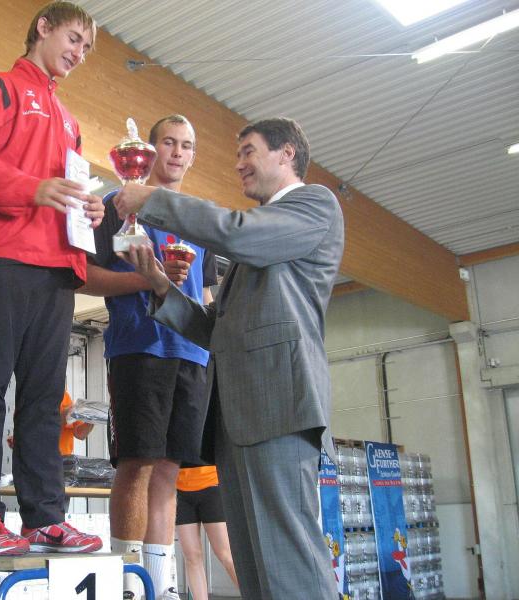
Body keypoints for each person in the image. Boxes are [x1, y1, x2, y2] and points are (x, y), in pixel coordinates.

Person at [115, 117, 344, 599]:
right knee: (257, 564)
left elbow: (234, 232)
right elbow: (215, 331)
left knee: (289, 561)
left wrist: (152, 199)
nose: (238, 164)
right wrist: (160, 284)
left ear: (286, 154)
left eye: (248, 152)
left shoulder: (313, 205)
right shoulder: (257, 242)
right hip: (239, 420)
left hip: (279, 409)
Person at [0, 1, 105, 556]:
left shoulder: (70, 120)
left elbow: (65, 191)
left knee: (44, 399)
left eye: (87, 48)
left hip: (57, 267)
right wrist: (32, 189)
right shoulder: (2, 89)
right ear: (44, 27)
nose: (79, 53)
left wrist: (88, 212)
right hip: (5, 257)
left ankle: (44, 518)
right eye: (75, 39)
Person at [81, 114, 217, 599]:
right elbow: (84, 277)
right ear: (149, 150)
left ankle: (158, 587)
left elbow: (206, 292)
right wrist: (148, 280)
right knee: (136, 465)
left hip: (192, 355)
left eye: (187, 145)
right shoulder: (118, 204)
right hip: (139, 346)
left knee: (168, 472)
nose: (178, 153)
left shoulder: (198, 217)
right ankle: (127, 585)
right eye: (169, 143)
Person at [175, 466, 238, 600]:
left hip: (211, 485)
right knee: (192, 557)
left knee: (226, 554)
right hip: (180, 489)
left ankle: (255, 595)